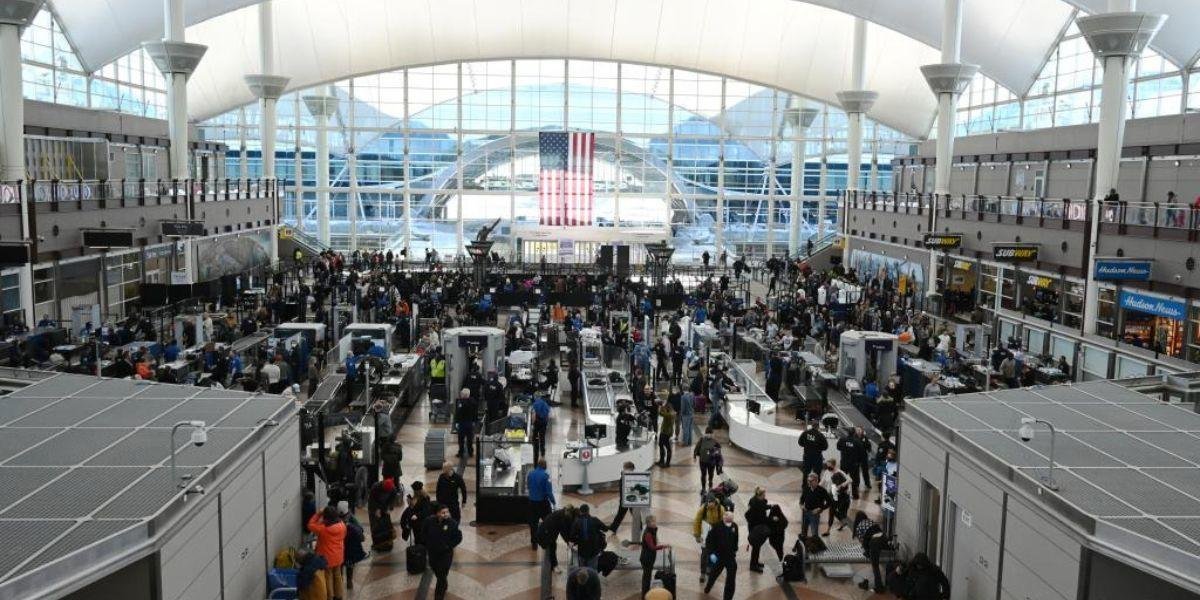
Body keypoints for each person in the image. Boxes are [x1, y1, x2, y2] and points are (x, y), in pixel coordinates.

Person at [421, 503, 464, 600]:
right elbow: (423, 533)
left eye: (447, 512)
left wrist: (449, 546)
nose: (446, 514)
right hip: (433, 553)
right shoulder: (429, 521)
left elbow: (458, 537)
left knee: (441, 573)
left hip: (446, 554)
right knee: (438, 572)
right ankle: (444, 583)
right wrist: (427, 543)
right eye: (443, 512)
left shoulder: (452, 523)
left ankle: (439, 595)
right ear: (437, 513)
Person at [307, 506, 347, 600]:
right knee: (337, 575)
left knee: (328, 576)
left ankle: (330, 597)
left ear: (326, 517)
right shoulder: (342, 525)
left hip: (327, 558)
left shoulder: (323, 529)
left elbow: (310, 524)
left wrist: (319, 513)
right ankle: (339, 595)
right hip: (339, 555)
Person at [703, 512, 739, 600]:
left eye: (731, 521)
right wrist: (711, 553)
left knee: (731, 579)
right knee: (714, 574)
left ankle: (727, 598)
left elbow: (736, 539)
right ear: (723, 518)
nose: (730, 523)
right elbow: (709, 541)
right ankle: (708, 587)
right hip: (719, 556)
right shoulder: (716, 527)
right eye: (728, 521)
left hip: (730, 556)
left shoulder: (734, 526)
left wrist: (735, 549)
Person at [537, 503, 579, 572]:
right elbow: (564, 532)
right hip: (546, 533)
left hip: (548, 530)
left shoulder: (564, 513)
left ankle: (553, 565)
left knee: (552, 547)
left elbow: (568, 528)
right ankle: (554, 566)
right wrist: (569, 542)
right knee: (552, 547)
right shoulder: (562, 518)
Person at [337, 501, 367, 590]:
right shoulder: (352, 518)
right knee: (349, 565)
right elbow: (360, 530)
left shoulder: (335, 519)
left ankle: (340, 583)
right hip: (350, 548)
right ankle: (349, 581)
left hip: (340, 548)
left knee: (340, 565)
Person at [639, 515, 671, 596]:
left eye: (655, 521)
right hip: (647, 558)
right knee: (646, 577)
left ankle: (646, 592)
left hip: (649, 557)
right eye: (653, 521)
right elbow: (652, 547)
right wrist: (663, 546)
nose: (655, 523)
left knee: (647, 576)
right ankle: (645, 594)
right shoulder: (648, 534)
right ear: (648, 523)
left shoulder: (652, 530)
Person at [527, 458, 555, 549]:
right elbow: (549, 492)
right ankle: (548, 540)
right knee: (549, 522)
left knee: (533, 524)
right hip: (543, 504)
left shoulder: (530, 474)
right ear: (544, 465)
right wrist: (553, 502)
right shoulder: (546, 476)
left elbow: (528, 486)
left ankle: (534, 544)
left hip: (532, 503)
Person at [838, 427, 872, 499]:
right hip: (854, 464)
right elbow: (862, 453)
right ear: (854, 433)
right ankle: (855, 495)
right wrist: (858, 461)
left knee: (843, 478)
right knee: (854, 480)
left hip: (844, 463)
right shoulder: (857, 442)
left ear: (848, 432)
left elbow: (838, 447)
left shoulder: (842, 439)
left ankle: (842, 493)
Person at [570, 504, 608, 570]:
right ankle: (592, 578)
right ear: (588, 511)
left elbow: (572, 537)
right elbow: (605, 529)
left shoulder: (577, 522)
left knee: (582, 571)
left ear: (580, 512)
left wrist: (578, 540)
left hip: (582, 551)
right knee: (592, 570)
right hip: (593, 551)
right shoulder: (595, 520)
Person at [367, 478, 399, 552]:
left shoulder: (393, 489)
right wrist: (376, 510)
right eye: (385, 491)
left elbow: (392, 500)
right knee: (374, 524)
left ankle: (387, 542)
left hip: (384, 506)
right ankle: (376, 543)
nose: (386, 492)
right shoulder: (376, 487)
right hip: (374, 507)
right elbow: (371, 500)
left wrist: (389, 508)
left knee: (387, 524)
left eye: (387, 491)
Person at [821, 459, 851, 535]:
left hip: (837, 495)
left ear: (834, 465)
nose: (828, 467)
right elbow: (822, 482)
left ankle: (828, 530)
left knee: (831, 511)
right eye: (827, 465)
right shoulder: (827, 472)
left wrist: (841, 485)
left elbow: (850, 480)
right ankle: (842, 522)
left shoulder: (839, 472)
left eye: (829, 465)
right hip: (830, 494)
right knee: (832, 511)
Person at [608, 461, 637, 536]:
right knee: (623, 514)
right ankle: (613, 528)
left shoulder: (627, 476)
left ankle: (613, 528)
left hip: (627, 499)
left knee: (622, 515)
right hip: (627, 499)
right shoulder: (626, 476)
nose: (624, 469)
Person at [800, 473, 832, 539]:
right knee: (803, 532)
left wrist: (820, 508)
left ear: (816, 481)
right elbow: (801, 500)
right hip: (805, 512)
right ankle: (804, 545)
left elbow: (829, 502)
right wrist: (801, 505)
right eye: (808, 481)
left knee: (814, 533)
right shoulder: (806, 489)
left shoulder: (822, 491)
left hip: (814, 514)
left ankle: (815, 546)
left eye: (811, 481)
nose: (809, 483)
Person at [453, 387, 477, 458]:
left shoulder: (460, 402)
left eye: (462, 394)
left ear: (464, 394)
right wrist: (474, 421)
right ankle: (470, 452)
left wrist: (456, 422)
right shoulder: (473, 402)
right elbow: (475, 413)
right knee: (470, 439)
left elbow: (458, 413)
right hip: (470, 423)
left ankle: (461, 452)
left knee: (461, 439)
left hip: (462, 423)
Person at [531, 393, 551, 463]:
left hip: (537, 422)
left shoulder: (535, 404)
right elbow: (548, 414)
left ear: (535, 397)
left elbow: (534, 415)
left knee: (535, 436)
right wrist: (546, 423)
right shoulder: (545, 403)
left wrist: (532, 424)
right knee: (542, 437)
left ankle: (535, 449)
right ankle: (542, 452)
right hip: (544, 423)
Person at [658, 401, 675, 467]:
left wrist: (660, 407)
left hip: (666, 432)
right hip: (664, 431)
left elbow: (660, 413)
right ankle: (661, 460)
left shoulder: (670, 414)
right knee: (661, 445)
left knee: (668, 447)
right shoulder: (670, 412)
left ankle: (667, 463)